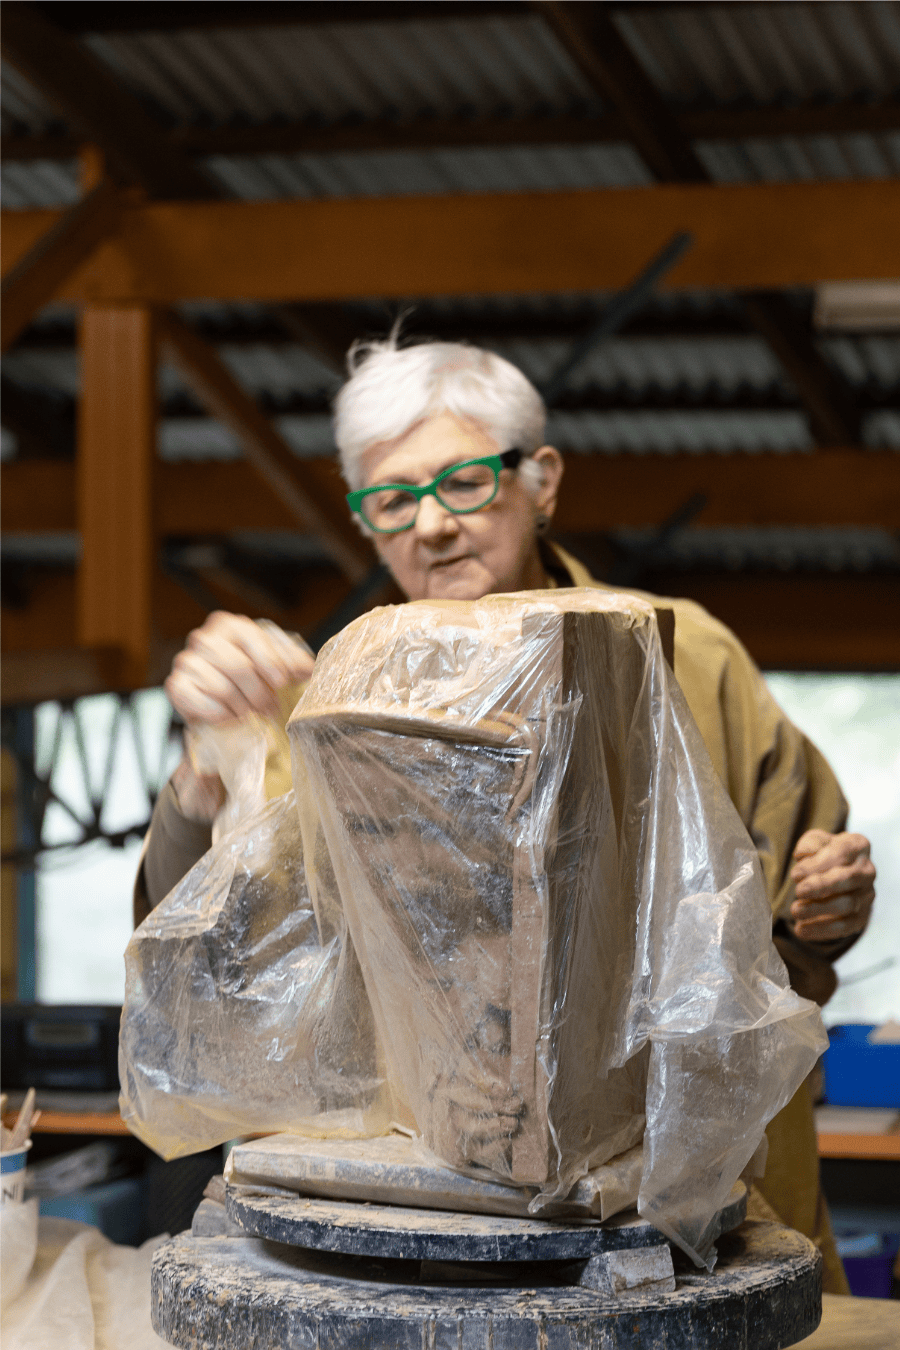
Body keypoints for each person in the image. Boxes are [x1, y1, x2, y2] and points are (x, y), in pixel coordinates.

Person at [135, 337, 875, 1292]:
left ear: (542, 479)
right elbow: (215, 965)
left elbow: (794, 922)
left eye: (465, 482)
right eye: (393, 499)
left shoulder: (688, 662)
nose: (433, 525)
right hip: (434, 1232)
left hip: (693, 1223)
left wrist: (831, 907)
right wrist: (206, 781)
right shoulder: (327, 708)